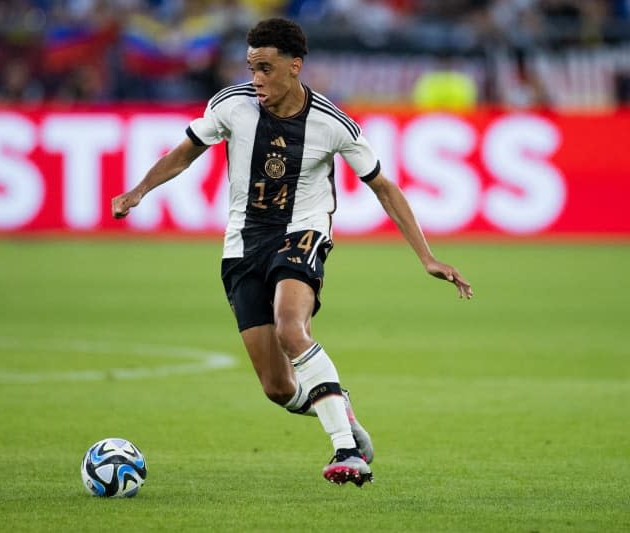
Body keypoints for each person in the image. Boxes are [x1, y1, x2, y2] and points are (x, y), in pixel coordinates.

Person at [112, 17, 473, 487]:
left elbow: (383, 186)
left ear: (294, 66)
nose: (256, 79)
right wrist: (139, 191)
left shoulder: (332, 122)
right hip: (243, 244)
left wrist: (427, 257)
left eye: (265, 68)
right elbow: (186, 150)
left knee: (290, 325)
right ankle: (339, 408)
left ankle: (346, 451)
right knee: (278, 388)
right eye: (250, 67)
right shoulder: (231, 106)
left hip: (302, 232)